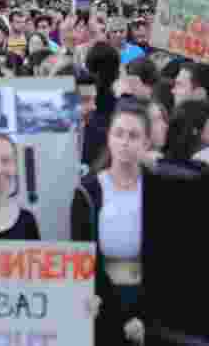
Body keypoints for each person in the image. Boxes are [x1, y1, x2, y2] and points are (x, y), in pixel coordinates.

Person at [71, 98, 149, 345]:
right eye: (119, 134)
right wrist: (122, 317)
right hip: (101, 312)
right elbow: (84, 259)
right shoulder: (87, 192)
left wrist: (142, 316)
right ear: (109, 138)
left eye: (133, 135)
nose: (125, 142)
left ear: (146, 142)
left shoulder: (159, 188)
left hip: (146, 315)